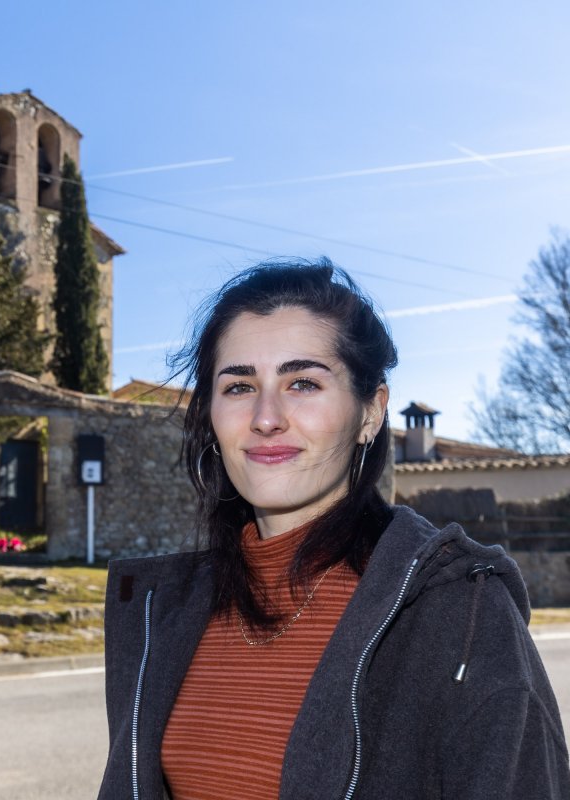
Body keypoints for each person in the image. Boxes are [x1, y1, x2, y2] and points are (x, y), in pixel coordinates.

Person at [96, 260, 569, 799]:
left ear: (371, 410)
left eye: (303, 382)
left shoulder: (461, 615)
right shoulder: (167, 612)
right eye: (238, 386)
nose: (266, 416)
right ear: (209, 415)